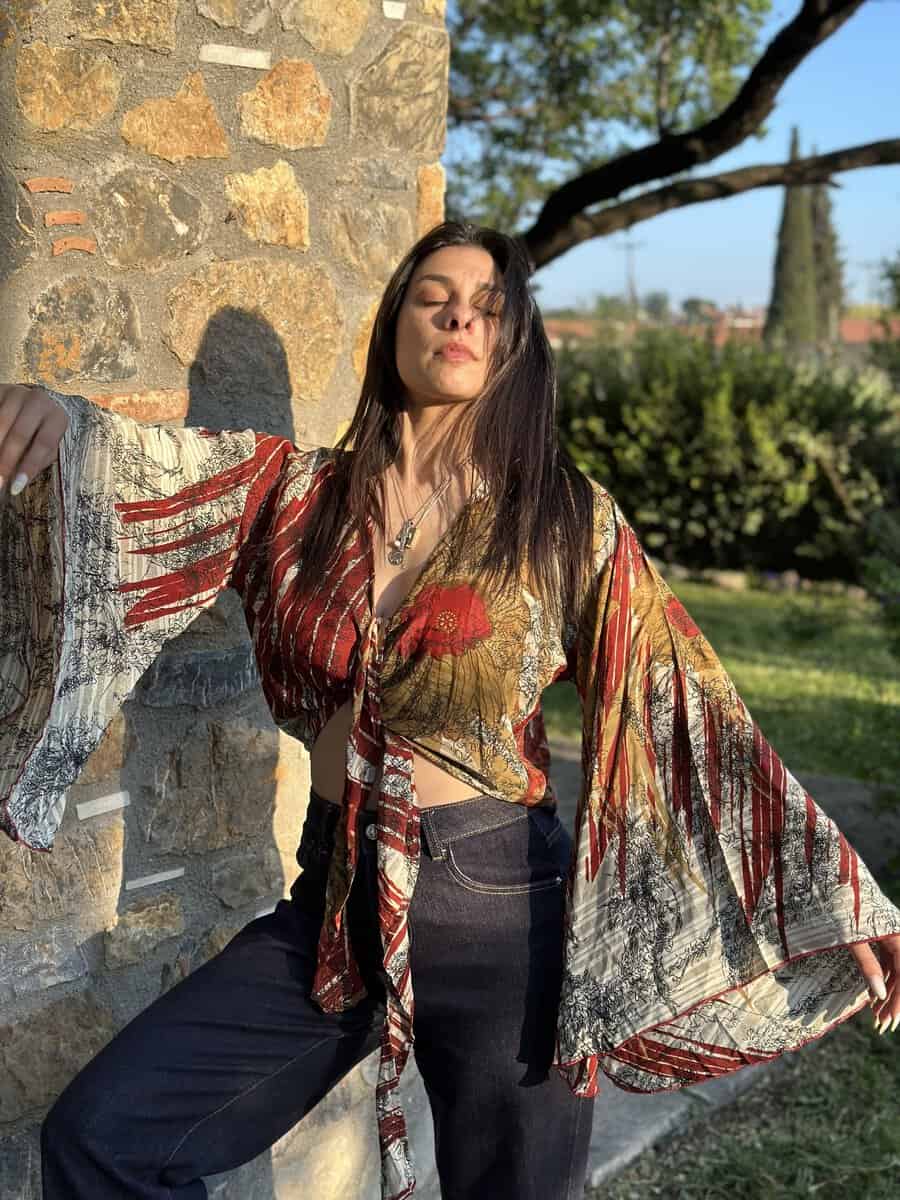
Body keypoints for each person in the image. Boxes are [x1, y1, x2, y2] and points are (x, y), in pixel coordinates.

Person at [1, 220, 898, 1200]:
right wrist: (58, 419)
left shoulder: (559, 518)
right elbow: (138, 468)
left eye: (488, 305)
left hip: (502, 911)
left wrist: (821, 891)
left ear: (514, 344)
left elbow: (683, 706)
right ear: (396, 324)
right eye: (434, 297)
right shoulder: (292, 494)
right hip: (335, 899)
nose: (459, 316)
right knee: (105, 1137)